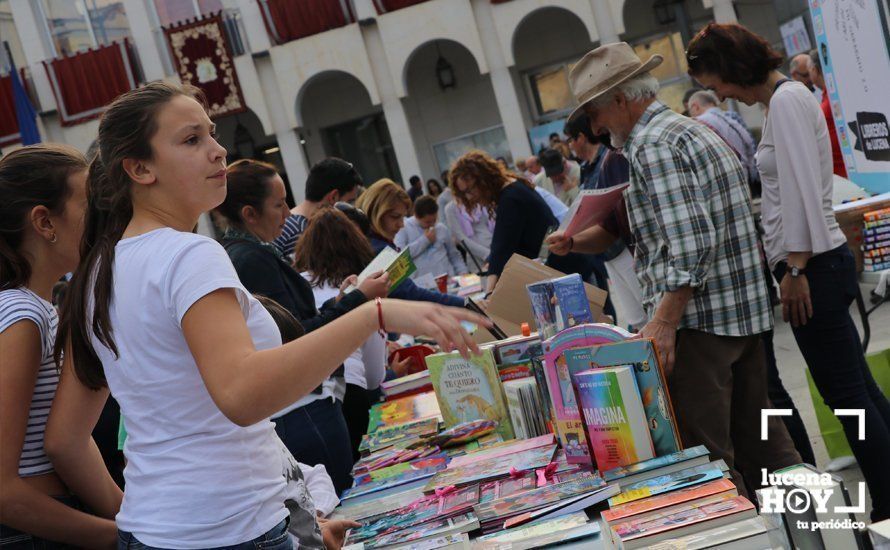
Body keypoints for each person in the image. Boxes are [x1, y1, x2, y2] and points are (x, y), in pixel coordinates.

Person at [45, 82, 486, 549]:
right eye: (192, 140)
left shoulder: (100, 269)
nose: (218, 152)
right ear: (139, 168)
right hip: (227, 528)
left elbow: (67, 438)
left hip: (162, 528)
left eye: (212, 135)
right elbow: (242, 394)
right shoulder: (185, 255)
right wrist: (368, 315)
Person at [549, 42, 801, 497]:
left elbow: (689, 244)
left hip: (701, 327)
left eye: (595, 113)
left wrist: (663, 321)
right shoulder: (687, 129)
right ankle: (826, 533)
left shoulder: (652, 143)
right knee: (769, 449)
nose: (597, 127)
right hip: (739, 318)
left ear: (621, 100)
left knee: (713, 463)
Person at [688, 23, 890, 521]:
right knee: (855, 391)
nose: (721, 95)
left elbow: (799, 188)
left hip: (812, 266)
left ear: (734, 68)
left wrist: (795, 267)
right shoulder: (786, 101)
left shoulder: (786, 101)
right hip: (813, 262)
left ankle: (886, 497)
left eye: (718, 83)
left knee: (849, 398)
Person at [215, 158, 389, 493]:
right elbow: (297, 338)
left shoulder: (244, 252)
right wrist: (358, 301)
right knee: (339, 503)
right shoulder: (251, 259)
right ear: (250, 214)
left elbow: (293, 323)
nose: (287, 213)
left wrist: (340, 303)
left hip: (301, 407)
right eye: (278, 205)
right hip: (304, 409)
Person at [0, 145, 121, 548]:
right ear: (44, 222)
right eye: (88, 206)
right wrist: (119, 538)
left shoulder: (34, 308)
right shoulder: (21, 316)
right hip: (33, 532)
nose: (99, 222)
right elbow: (3, 488)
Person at [294, 208, 387, 460]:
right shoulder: (360, 291)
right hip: (350, 392)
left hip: (304, 402)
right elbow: (374, 377)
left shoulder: (297, 286)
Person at [450, 150, 557, 292]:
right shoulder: (513, 189)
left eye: (470, 190)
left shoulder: (510, 198)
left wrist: (489, 293)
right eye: (464, 194)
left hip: (563, 269)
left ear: (483, 179)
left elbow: (502, 247)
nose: (470, 197)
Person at [356, 179, 465, 306]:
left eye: (402, 218)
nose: (401, 224)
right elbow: (412, 294)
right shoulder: (379, 250)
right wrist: (464, 304)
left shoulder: (373, 243)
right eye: (395, 217)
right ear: (376, 212)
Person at [273, 158, 361, 258]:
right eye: (349, 201)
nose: (352, 207)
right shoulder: (302, 233)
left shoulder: (293, 225)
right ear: (333, 197)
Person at [687, 90, 759, 186]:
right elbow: (749, 142)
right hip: (746, 174)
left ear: (695, 106)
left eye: (690, 110)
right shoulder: (731, 117)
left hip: (724, 179)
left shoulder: (699, 122)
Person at [395, 196, 467, 281]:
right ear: (416, 216)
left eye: (434, 220)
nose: (432, 225)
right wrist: (425, 240)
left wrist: (463, 273)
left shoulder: (441, 228)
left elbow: (454, 255)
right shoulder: (404, 228)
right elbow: (400, 257)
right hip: (422, 285)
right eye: (428, 222)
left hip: (448, 281)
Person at [807, 49, 847, 178]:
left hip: (844, 170)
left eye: (808, 71)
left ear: (814, 70)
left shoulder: (832, 97)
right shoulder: (827, 95)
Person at [443, 200, 494, 268]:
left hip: (496, 250)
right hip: (479, 261)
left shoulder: (480, 199)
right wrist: (487, 254)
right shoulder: (451, 208)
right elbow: (460, 237)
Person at [564, 114, 607, 190]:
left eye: (570, 140)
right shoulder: (585, 167)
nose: (570, 146)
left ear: (580, 138)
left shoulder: (608, 159)